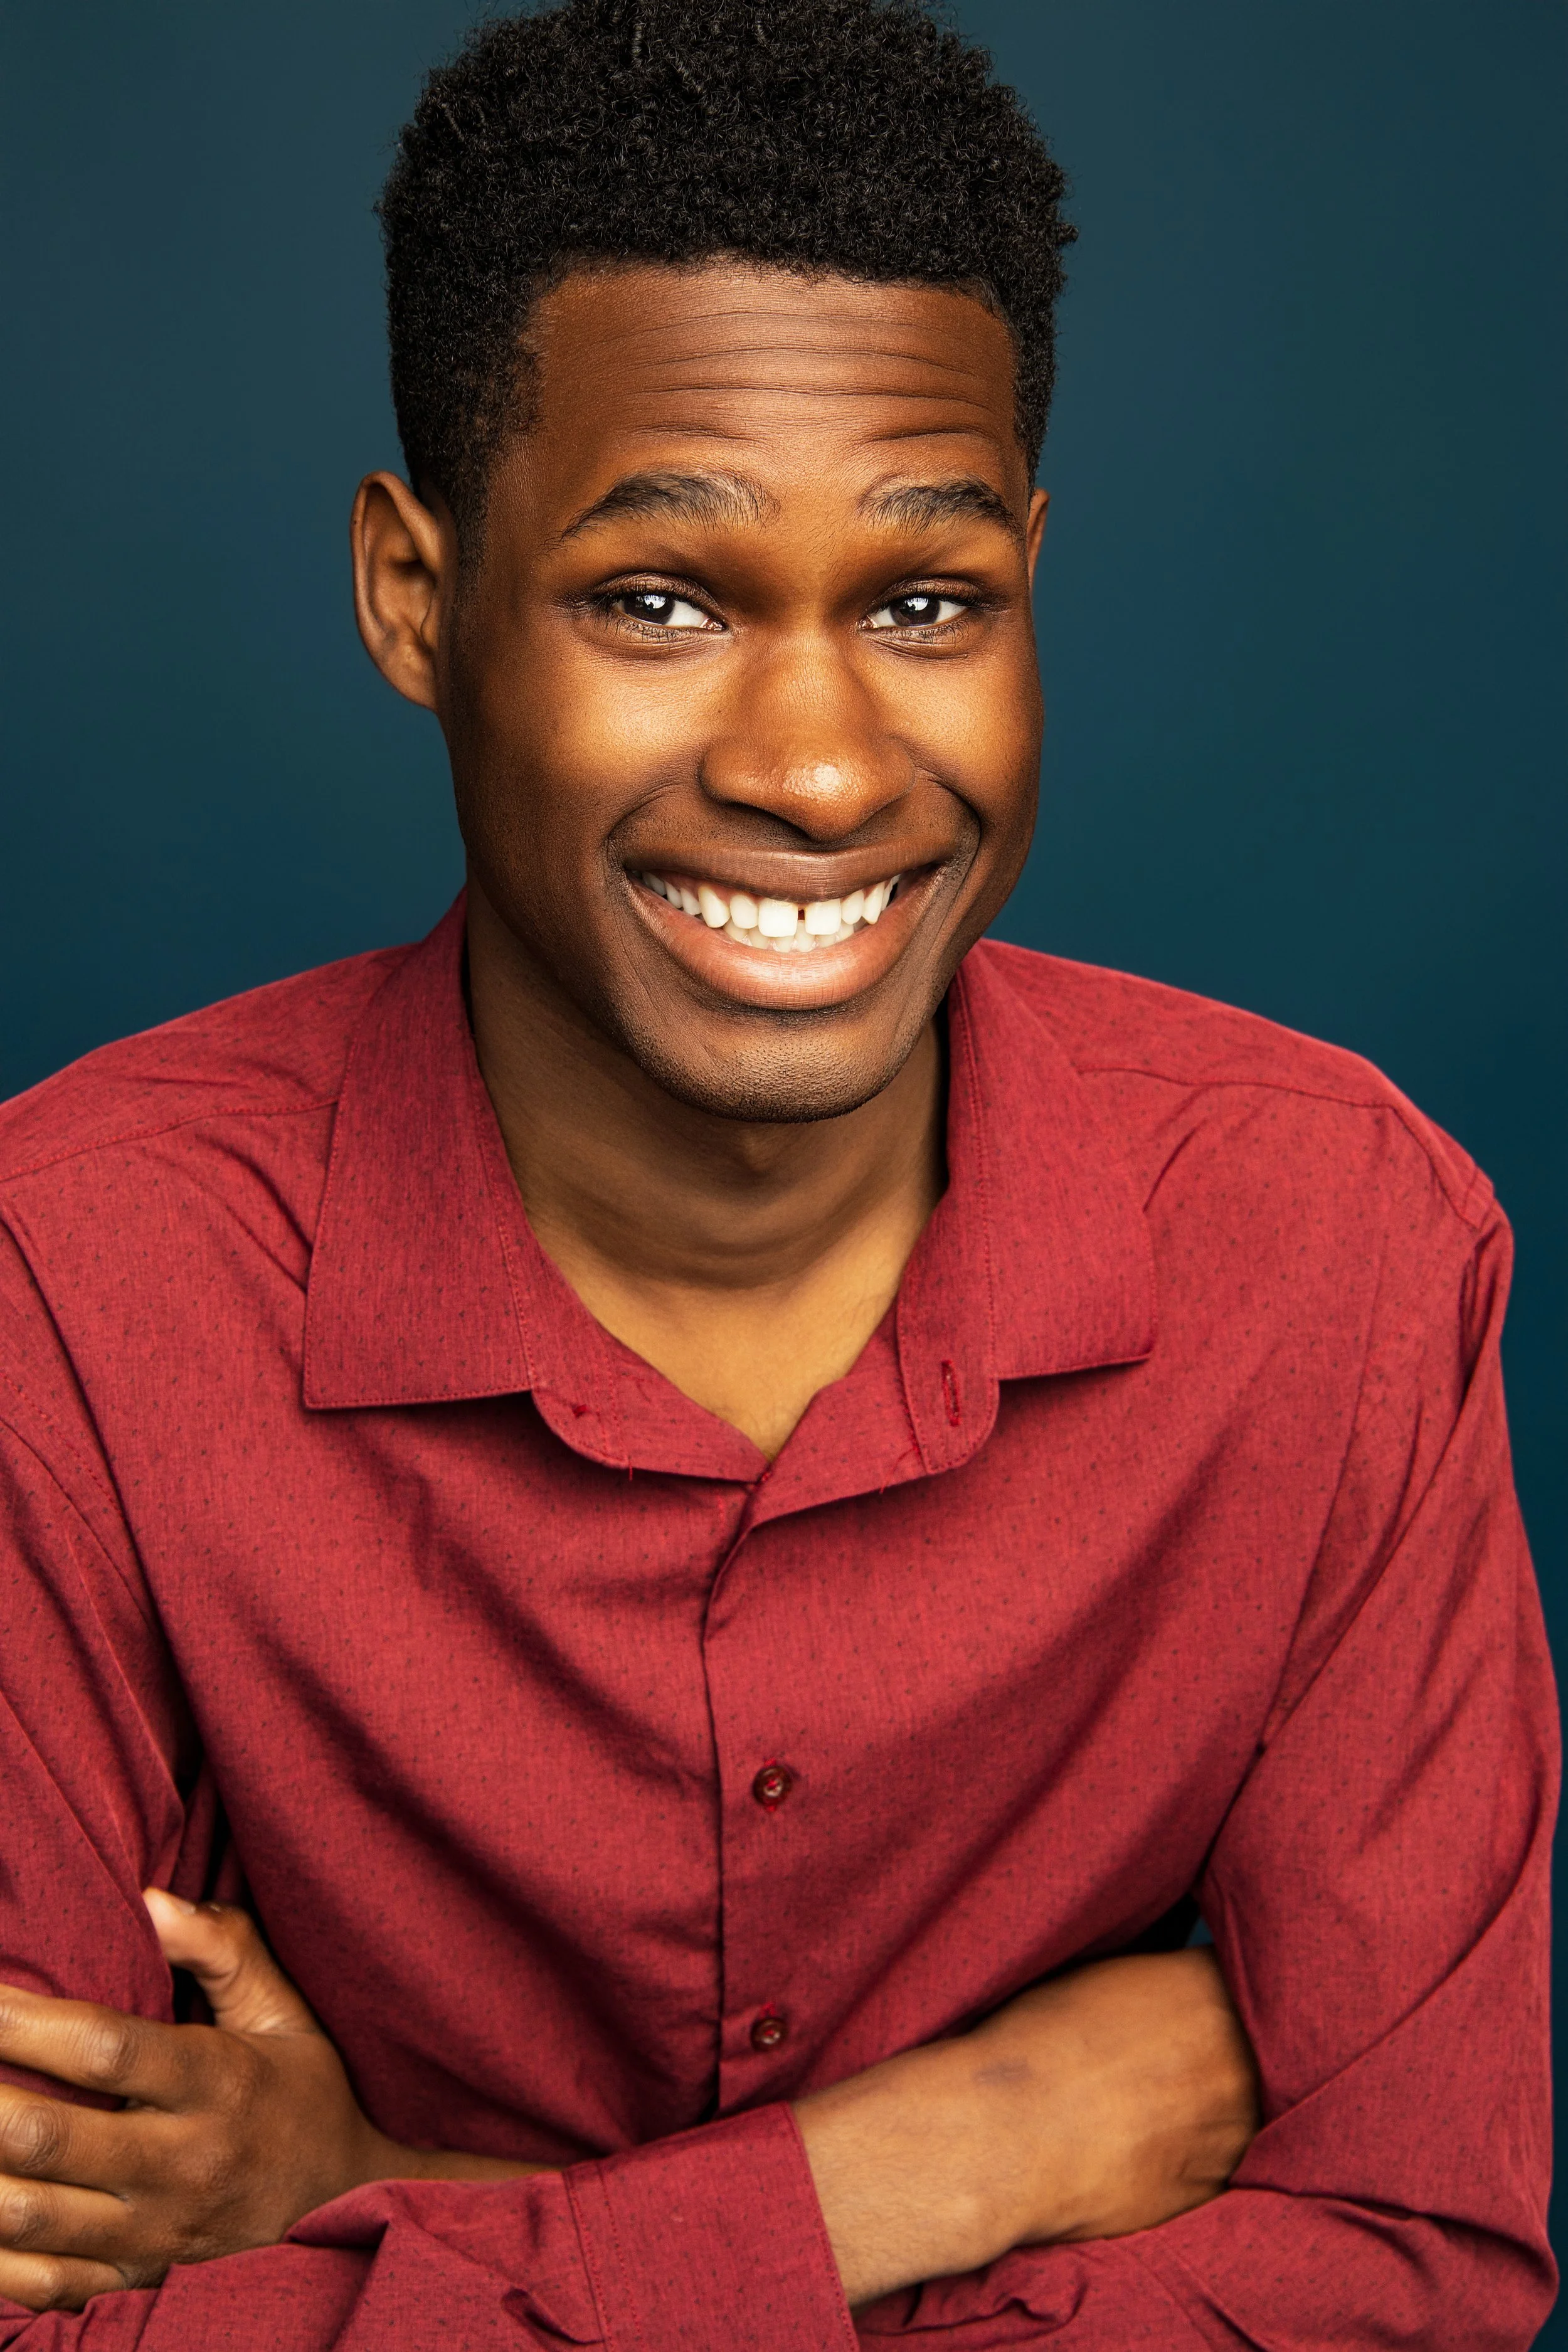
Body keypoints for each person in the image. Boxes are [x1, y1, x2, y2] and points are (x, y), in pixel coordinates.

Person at [0, 0, 1554, 2343]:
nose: (822, 770)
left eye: (924, 605)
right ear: (413, 601)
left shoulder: (1336, 1242)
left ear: (1030, 578)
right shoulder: (69, 1283)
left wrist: (397, 2213)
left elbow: (1412, 2266)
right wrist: (934, 2163)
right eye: (658, 599)